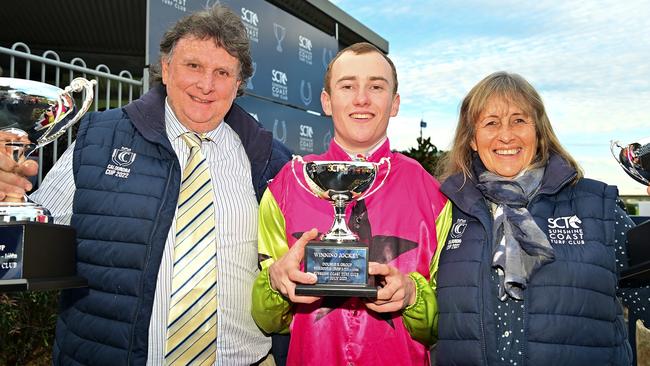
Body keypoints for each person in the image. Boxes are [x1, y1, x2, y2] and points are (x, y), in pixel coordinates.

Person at [0, 5, 291, 365]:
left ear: (238, 83)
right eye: (193, 66)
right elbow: (35, 241)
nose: (206, 84)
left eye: (222, 72)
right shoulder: (99, 139)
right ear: (166, 69)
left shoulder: (272, 161)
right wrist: (7, 198)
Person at [250, 42, 447, 365]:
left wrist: (412, 296)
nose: (361, 99)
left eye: (376, 86)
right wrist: (275, 284)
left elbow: (447, 323)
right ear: (326, 102)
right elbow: (267, 320)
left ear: (394, 103)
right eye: (347, 86)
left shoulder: (431, 192)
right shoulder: (289, 184)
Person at [433, 71, 649, 365]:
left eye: (519, 120)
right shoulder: (448, 210)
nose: (506, 135)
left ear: (539, 131)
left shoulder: (599, 208)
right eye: (491, 123)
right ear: (472, 138)